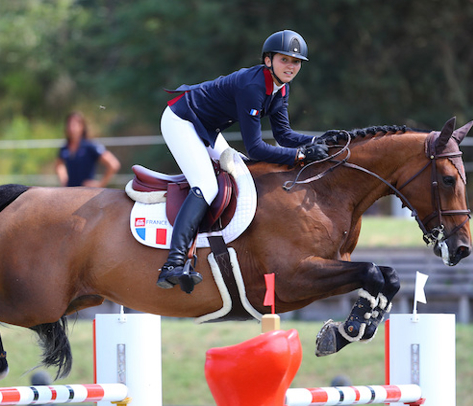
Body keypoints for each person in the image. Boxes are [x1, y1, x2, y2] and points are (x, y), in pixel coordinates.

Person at [157, 29, 333, 292]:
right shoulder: (253, 87)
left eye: (295, 62)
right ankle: (174, 262)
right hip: (181, 120)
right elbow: (256, 148)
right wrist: (301, 155)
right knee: (207, 186)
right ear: (268, 60)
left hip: (206, 127)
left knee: (239, 174)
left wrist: (319, 140)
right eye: (284, 59)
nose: (291, 66)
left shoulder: (280, 89)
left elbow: (283, 135)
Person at [55, 112, 121, 188]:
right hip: (69, 192)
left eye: (74, 124)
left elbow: (113, 164)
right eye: (69, 124)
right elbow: (59, 165)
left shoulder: (90, 146)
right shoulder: (64, 147)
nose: (71, 128)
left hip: (87, 193)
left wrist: (100, 184)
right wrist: (64, 180)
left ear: (82, 126)